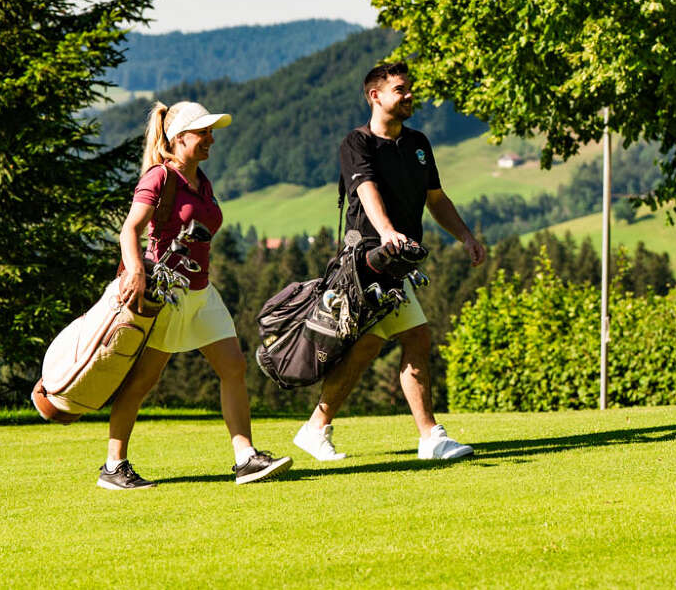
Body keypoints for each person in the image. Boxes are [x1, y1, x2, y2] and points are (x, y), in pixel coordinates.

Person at [293, 62, 486, 462]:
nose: (410, 95)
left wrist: (465, 235)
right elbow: (365, 188)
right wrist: (385, 231)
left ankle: (318, 428)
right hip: (368, 261)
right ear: (375, 96)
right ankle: (429, 437)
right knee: (406, 339)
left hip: (399, 262)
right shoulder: (357, 143)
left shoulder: (418, 142)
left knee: (378, 344)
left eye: (410, 89)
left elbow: (436, 198)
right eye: (401, 89)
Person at [97, 100, 292, 489]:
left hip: (202, 293)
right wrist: (136, 271)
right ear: (179, 137)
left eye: (210, 132)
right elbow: (129, 230)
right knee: (142, 382)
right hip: (167, 294)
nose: (210, 140)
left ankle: (246, 458)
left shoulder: (201, 181)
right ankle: (113, 467)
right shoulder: (159, 177)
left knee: (233, 367)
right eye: (203, 133)